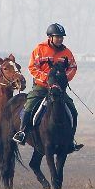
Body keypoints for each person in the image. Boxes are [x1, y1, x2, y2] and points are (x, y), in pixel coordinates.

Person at [13, 23, 83, 152]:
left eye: (62, 37)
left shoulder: (67, 52)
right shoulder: (39, 49)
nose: (60, 39)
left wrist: (63, 79)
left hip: (59, 89)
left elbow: (73, 67)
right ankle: (22, 132)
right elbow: (32, 67)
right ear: (50, 37)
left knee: (72, 109)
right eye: (58, 37)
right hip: (41, 87)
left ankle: (70, 140)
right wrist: (47, 78)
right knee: (29, 105)